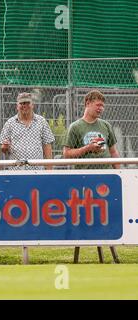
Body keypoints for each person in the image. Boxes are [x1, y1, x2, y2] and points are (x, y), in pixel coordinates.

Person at [63, 89, 120, 264]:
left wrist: (119, 172)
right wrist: (87, 148)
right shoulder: (76, 127)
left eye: (102, 105)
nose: (101, 108)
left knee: (105, 217)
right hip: (84, 180)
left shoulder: (105, 125)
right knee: (84, 217)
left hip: (105, 180)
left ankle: (113, 255)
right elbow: (66, 154)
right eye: (98, 105)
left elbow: (114, 152)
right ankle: (77, 256)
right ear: (88, 103)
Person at [0, 92, 55, 170]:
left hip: (36, 171)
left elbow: (47, 147)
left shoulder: (42, 121)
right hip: (16, 171)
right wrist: (5, 147)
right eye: (21, 103)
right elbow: (3, 149)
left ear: (33, 105)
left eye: (27, 103)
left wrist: (49, 170)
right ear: (17, 106)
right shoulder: (9, 123)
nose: (24, 106)